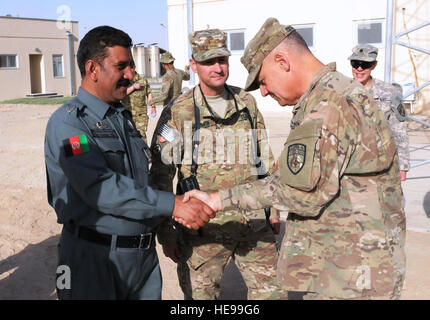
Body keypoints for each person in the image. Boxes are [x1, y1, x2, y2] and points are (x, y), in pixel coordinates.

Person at [182, 18, 406, 300]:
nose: (263, 91)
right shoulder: (335, 93)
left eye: (262, 81)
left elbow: (299, 191)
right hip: (355, 266)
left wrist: (217, 199)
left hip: (351, 277)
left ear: (282, 61)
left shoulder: (327, 106)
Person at [44, 25, 214, 300]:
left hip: (141, 261)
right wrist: (173, 204)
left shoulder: (121, 117)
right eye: (121, 66)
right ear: (93, 69)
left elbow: (141, 181)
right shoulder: (70, 123)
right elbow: (101, 187)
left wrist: (164, 228)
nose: (130, 74)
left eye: (132, 66)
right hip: (94, 259)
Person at [149, 28, 286, 300]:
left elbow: (264, 157)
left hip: (253, 221)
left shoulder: (246, 103)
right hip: (203, 229)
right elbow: (161, 175)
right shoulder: (178, 111)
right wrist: (166, 232)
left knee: (273, 294)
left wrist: (273, 208)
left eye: (222, 60)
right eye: (209, 61)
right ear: (193, 65)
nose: (218, 68)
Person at [349, 44, 410, 181]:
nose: (359, 68)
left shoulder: (389, 92)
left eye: (365, 64)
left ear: (374, 66)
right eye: (355, 63)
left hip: (382, 164)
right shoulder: (343, 91)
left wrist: (402, 166)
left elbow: (399, 131)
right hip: (349, 165)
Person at [122, 71, 155, 141]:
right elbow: (121, 94)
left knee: (141, 136)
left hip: (141, 115)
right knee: (128, 137)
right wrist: (133, 87)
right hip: (127, 114)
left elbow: (149, 93)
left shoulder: (142, 80)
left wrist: (153, 106)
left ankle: (144, 151)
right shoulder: (122, 80)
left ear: (134, 67)